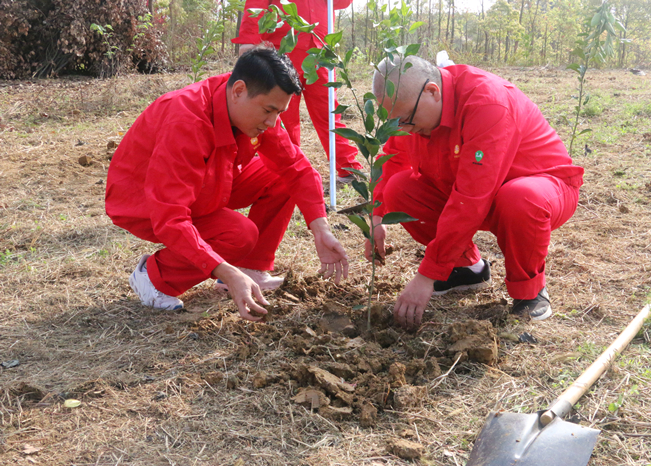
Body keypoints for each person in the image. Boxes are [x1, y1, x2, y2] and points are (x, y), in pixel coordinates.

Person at [106, 46, 349, 321]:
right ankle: (154, 276)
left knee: (281, 178)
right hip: (145, 199)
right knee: (237, 234)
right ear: (238, 91)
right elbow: (170, 216)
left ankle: (252, 268)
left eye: (279, 113)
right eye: (269, 111)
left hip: (211, 177)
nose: (272, 123)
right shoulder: (186, 122)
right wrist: (225, 270)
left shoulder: (248, 104)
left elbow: (296, 168)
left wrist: (320, 229)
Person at [368, 55, 584, 330]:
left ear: (432, 91)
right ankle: (466, 269)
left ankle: (529, 291)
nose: (402, 129)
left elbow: (472, 197)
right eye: (394, 122)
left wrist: (427, 275)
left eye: (406, 121)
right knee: (400, 189)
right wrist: (376, 216)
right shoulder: (410, 111)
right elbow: (392, 160)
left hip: (540, 189)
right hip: (469, 191)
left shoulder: (487, 103)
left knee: (519, 198)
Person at [232, 0, 364, 182]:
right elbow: (256, 3)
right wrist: (248, 39)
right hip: (281, 51)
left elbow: (341, 3)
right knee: (283, 118)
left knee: (330, 113)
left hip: (319, 51)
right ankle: (289, 170)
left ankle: (348, 167)